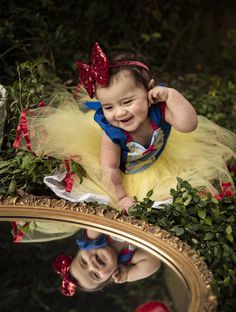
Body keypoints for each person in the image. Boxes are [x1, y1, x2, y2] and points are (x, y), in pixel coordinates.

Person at [14, 43, 236, 211]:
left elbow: (189, 125)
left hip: (160, 160)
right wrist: (120, 198)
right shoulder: (113, 133)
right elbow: (109, 169)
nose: (119, 112)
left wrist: (171, 95)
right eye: (108, 106)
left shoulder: (159, 110)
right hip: (124, 172)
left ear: (149, 91)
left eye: (128, 102)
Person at [54, 228, 161, 295]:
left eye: (84, 262)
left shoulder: (96, 236)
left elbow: (99, 216)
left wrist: (90, 239)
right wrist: (127, 275)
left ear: (82, 248)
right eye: (95, 275)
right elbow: (154, 262)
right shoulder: (126, 256)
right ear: (111, 276)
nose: (93, 266)